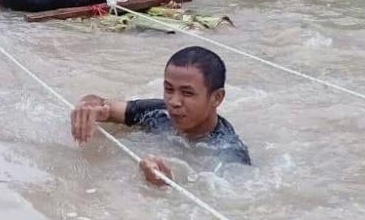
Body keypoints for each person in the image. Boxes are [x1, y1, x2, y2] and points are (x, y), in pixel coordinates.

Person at [70, 46, 250, 186]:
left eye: (187, 93)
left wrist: (166, 188)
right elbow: (101, 103)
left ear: (216, 98)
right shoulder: (158, 113)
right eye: (169, 89)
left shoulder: (229, 153)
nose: (174, 101)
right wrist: (87, 107)